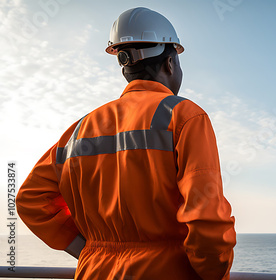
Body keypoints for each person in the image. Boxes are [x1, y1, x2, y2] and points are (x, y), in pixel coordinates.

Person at [16, 7, 236, 280]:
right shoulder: (185, 117)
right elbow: (207, 218)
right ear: (170, 64)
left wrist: (86, 248)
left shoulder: (80, 128)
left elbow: (29, 200)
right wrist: (214, 273)